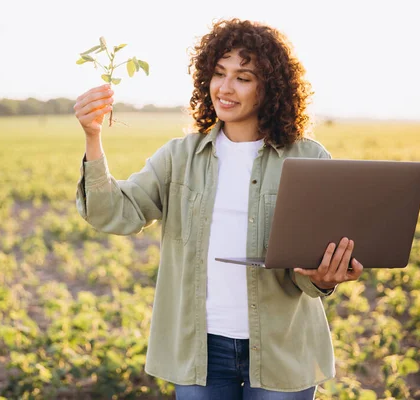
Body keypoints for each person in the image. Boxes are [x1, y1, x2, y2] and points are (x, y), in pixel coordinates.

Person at [73, 18, 364, 400]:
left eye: (243, 78)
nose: (225, 88)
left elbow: (310, 271)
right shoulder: (179, 156)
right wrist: (93, 137)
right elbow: (116, 212)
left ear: (270, 88)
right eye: (218, 73)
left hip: (283, 349)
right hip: (200, 352)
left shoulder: (308, 158)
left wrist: (325, 278)